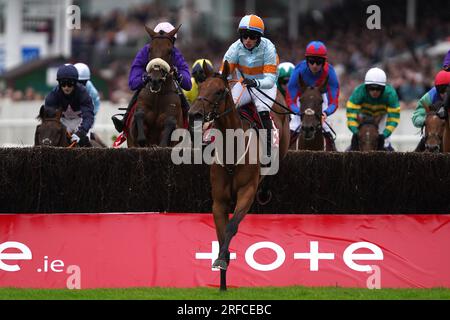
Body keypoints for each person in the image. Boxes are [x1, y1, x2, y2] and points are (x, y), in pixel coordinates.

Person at [112, 22, 192, 133]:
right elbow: (133, 83)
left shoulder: (175, 54)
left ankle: (192, 128)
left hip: (168, 84)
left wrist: (178, 75)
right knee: (138, 92)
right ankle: (125, 120)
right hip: (150, 81)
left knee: (182, 97)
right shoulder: (145, 51)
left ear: (172, 42)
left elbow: (188, 84)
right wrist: (144, 78)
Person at [221, 14, 278, 160]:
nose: (248, 40)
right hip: (245, 84)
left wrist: (256, 83)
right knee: (228, 106)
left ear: (259, 37)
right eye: (245, 36)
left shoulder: (269, 48)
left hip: (264, 85)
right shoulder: (234, 48)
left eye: (252, 37)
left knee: (262, 109)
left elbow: (270, 80)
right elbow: (224, 74)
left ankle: (268, 149)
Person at [286, 41, 340, 151]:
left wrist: (326, 112)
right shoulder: (298, 70)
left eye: (319, 62)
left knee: (326, 127)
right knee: (293, 125)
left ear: (324, 61)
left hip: (320, 99)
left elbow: (334, 101)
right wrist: (298, 111)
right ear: (307, 60)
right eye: (311, 61)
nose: (315, 65)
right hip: (302, 99)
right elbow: (290, 100)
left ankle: (332, 152)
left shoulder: (330, 72)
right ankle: (286, 155)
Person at [346, 67, 400, 151]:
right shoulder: (359, 91)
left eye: (378, 89)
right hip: (363, 116)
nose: (375, 91)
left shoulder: (390, 94)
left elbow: (394, 118)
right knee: (358, 141)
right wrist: (356, 131)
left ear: (383, 88)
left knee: (385, 142)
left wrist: (384, 134)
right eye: (371, 88)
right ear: (366, 87)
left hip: (381, 116)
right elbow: (351, 114)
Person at [44, 64, 95, 147]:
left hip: (79, 121)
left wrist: (81, 133)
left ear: (75, 83)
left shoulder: (83, 93)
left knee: (84, 142)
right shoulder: (52, 96)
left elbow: (88, 116)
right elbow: (49, 119)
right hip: (62, 122)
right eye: (63, 84)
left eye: (70, 84)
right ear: (59, 83)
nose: (66, 87)